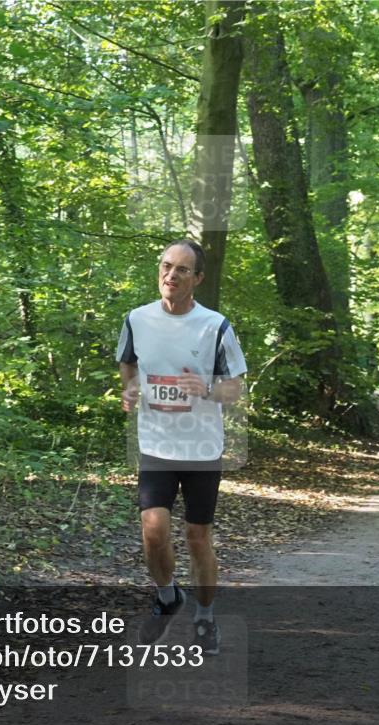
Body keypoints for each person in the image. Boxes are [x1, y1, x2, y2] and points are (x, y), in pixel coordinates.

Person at [116, 239, 247, 655]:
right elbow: (128, 362)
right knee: (153, 530)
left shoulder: (216, 326)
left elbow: (235, 388)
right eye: (166, 266)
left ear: (198, 278)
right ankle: (168, 595)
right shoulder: (137, 319)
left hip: (201, 449)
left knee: (196, 537)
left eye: (182, 270)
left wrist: (206, 388)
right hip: (156, 444)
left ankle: (205, 618)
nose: (171, 275)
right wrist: (130, 387)